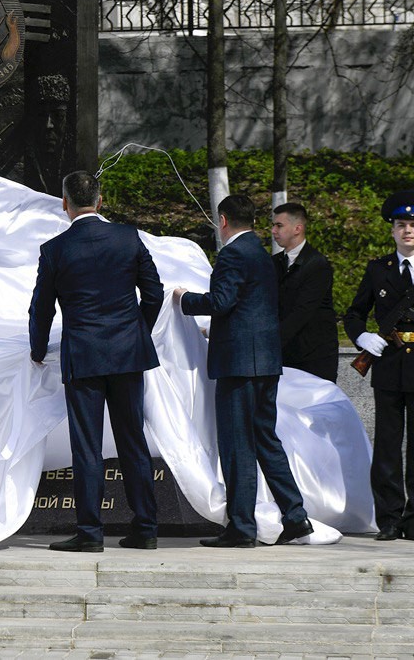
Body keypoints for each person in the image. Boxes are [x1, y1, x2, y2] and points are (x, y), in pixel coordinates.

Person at [29, 170, 163, 552]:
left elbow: (42, 310)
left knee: (87, 446)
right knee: (132, 441)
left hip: (83, 356)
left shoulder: (54, 249)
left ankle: (90, 533)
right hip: (127, 353)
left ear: (65, 204)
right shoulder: (128, 238)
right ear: (100, 201)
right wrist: (137, 333)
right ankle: (146, 528)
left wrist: (37, 351)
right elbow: (153, 293)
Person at [174, 194, 313, 548]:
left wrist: (183, 298)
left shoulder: (233, 253)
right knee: (266, 440)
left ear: (222, 221)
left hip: (239, 366)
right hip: (265, 361)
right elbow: (250, 306)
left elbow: (220, 301)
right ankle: (295, 516)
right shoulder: (263, 255)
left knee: (237, 445)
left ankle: (241, 526)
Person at [343, 190, 414, 542]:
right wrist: (362, 338)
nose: (407, 230)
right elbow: (354, 313)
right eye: (401, 224)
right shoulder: (378, 270)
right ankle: (389, 519)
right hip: (390, 367)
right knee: (387, 449)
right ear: (392, 231)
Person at [271, 202, 339, 382]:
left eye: (279, 225)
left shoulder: (317, 265)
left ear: (297, 228)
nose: (273, 231)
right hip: (284, 354)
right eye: (273, 225)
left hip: (314, 358)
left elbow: (302, 311)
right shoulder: (274, 263)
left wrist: (269, 342)